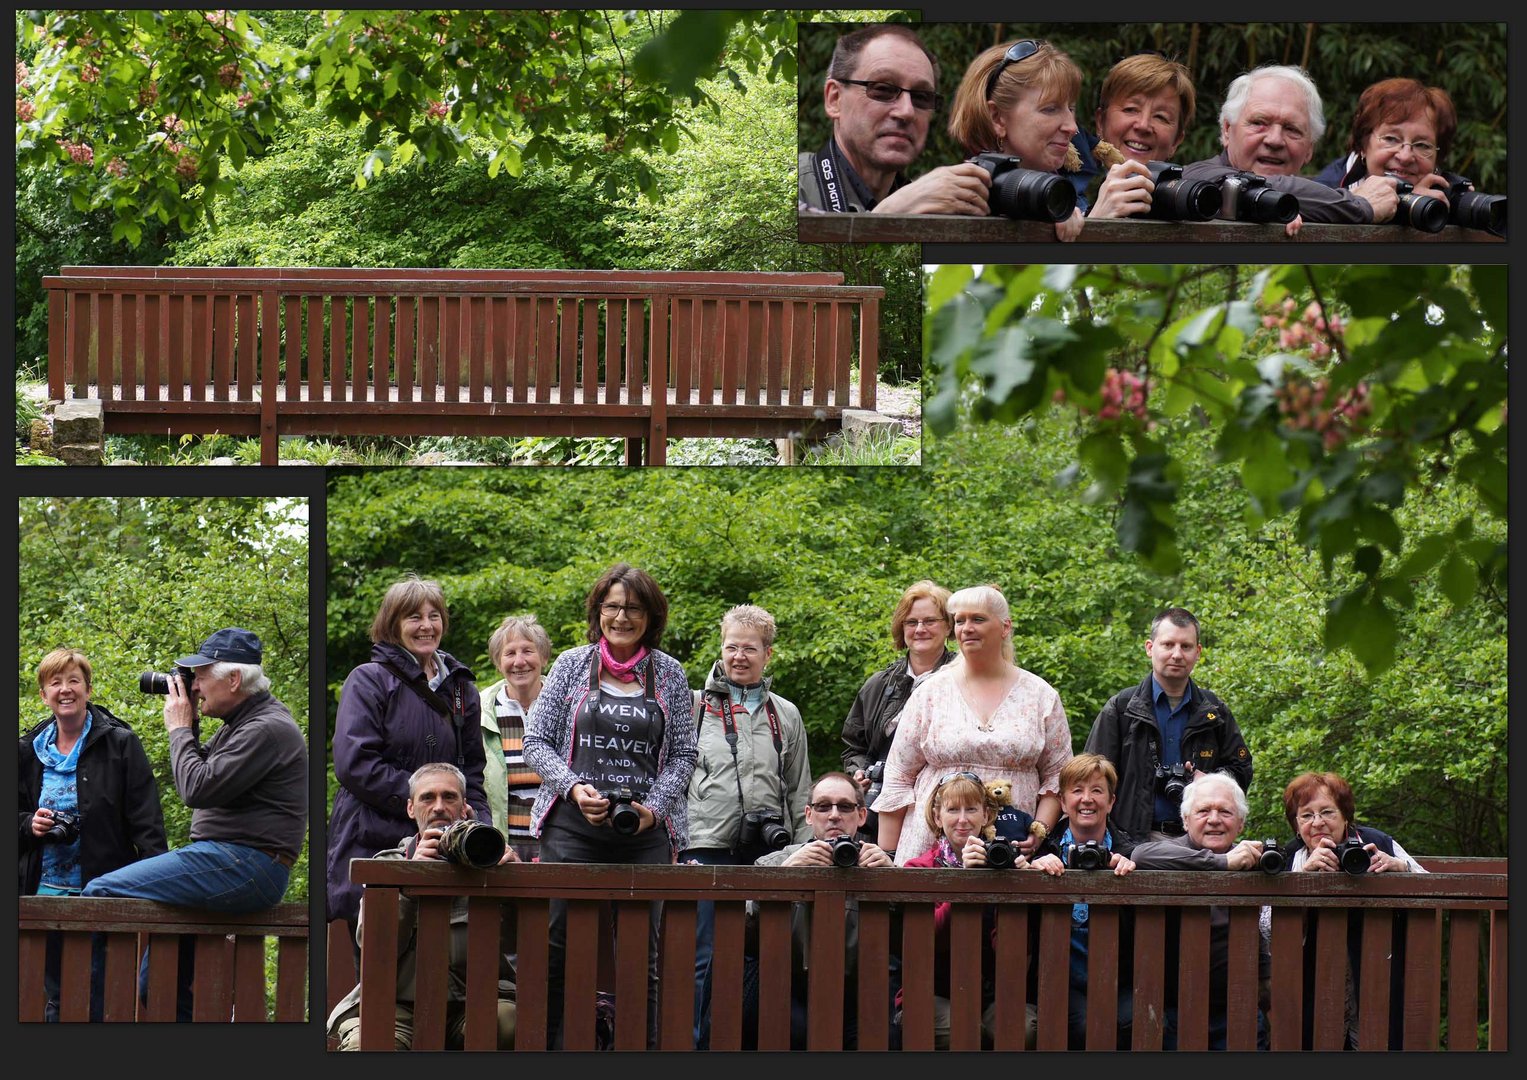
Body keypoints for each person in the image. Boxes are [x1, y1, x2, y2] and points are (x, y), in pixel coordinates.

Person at [81, 627, 308, 1021]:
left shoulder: (266, 729)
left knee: (100, 892)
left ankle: (91, 1020)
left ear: (234, 679)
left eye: (201, 677)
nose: (195, 687)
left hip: (246, 863)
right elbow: (205, 775)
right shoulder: (243, 724)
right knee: (157, 985)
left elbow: (196, 787)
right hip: (231, 862)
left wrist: (180, 728)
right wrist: (192, 728)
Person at [522, 562, 698, 1049]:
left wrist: (655, 809)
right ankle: (553, 1049)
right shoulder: (571, 665)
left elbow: (685, 753)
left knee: (643, 956)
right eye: (613, 606)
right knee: (558, 946)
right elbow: (536, 742)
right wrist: (575, 788)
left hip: (644, 833)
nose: (622, 617)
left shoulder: (670, 673)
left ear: (651, 617)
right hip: (571, 828)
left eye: (634, 608)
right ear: (598, 610)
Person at [327, 576, 488, 949]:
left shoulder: (462, 689)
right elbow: (355, 764)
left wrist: (477, 830)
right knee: (379, 962)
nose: (427, 625)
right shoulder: (369, 680)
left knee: (444, 962)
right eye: (414, 617)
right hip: (374, 839)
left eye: (435, 615)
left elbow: (473, 773)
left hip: (446, 847)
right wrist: (429, 802)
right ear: (393, 625)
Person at [683, 603, 812, 1048]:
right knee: (704, 958)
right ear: (721, 648)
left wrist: (802, 850)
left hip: (768, 850)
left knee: (769, 953)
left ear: (768, 654)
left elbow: (799, 789)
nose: (739, 656)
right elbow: (675, 776)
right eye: (731, 646)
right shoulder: (695, 706)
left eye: (750, 649)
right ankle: (698, 1047)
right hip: (705, 844)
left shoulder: (786, 714)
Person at [873, 583, 1069, 866]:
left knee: (1006, 912)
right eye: (960, 620)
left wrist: (1039, 831)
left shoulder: (1040, 695)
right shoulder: (930, 692)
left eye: (978, 619)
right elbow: (898, 777)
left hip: (1014, 849)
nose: (966, 628)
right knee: (929, 912)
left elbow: (1057, 776)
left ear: (1004, 627)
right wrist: (888, 859)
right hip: (932, 845)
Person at [20, 648, 167, 1022]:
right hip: (43, 895)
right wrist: (29, 824)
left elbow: (146, 821)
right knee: (57, 998)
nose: (65, 690)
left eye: (74, 681)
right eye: (55, 683)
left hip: (104, 891)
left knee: (100, 998)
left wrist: (156, 893)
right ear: (43, 694)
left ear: (88, 689)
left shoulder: (119, 743)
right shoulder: (27, 750)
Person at [327, 763, 518, 1050]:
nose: (439, 807)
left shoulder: (490, 861)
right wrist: (411, 880)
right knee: (365, 1045)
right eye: (427, 798)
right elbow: (374, 946)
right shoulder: (388, 866)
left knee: (507, 1020)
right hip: (397, 1006)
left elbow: (522, 942)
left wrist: (514, 884)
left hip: (475, 1001)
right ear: (410, 809)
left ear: (465, 807)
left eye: (449, 797)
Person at [741, 772, 894, 1049]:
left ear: (861, 816)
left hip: (862, 991)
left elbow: (914, 938)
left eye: (844, 807)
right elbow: (741, 935)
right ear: (809, 815)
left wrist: (893, 881)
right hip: (788, 988)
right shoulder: (775, 862)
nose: (834, 815)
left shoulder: (881, 865)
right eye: (824, 806)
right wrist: (784, 878)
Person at [1282, 770, 1426, 1049]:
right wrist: (1303, 881)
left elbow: (1435, 888)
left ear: (1345, 816)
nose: (1318, 823)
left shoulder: (1377, 843)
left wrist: (1401, 868)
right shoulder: (1291, 856)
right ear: (1296, 824)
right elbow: (1267, 931)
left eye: (1327, 812)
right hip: (1312, 987)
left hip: (1380, 978)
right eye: (1306, 815)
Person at [1083, 607, 1250, 845]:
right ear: (1150, 648)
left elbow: (1242, 770)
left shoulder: (1214, 711)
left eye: (1186, 646)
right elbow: (1091, 779)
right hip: (1132, 842)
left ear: (1198, 652)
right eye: (1168, 644)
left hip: (1200, 842)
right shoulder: (1122, 709)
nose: (1177, 654)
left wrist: (1211, 780)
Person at [1130, 771, 1271, 1050]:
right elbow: (1141, 856)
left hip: (1237, 1009)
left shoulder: (1249, 856)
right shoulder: (1171, 853)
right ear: (1185, 820)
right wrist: (1222, 863)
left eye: (1225, 812)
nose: (1214, 819)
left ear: (1240, 823)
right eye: (1204, 810)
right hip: (1172, 1011)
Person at [902, 769, 1034, 1050]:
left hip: (990, 993)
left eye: (971, 809)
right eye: (952, 810)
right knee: (961, 1029)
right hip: (932, 992)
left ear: (986, 815)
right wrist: (966, 883)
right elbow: (923, 942)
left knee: (1021, 1027)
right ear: (938, 817)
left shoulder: (1000, 864)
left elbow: (1012, 955)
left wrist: (1018, 887)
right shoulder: (918, 869)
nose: (962, 819)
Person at [1181, 64, 1401, 233]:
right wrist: (1359, 206)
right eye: (1259, 123)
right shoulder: (1197, 175)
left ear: (1309, 149)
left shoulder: (1316, 201)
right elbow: (1248, 186)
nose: (1275, 140)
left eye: (1292, 129)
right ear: (1227, 130)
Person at [799, 24, 992, 215]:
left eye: (921, 97)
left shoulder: (933, 206)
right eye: (883, 89)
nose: (907, 111)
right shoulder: (788, 186)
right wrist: (888, 215)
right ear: (835, 99)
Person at [1029, 753, 1137, 1049]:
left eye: (1097, 790)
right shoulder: (1041, 853)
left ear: (1111, 802)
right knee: (1082, 1025)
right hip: (1061, 981)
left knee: (1138, 1021)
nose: (1086, 799)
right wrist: (1032, 870)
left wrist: (1133, 877)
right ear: (1063, 802)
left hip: (1120, 981)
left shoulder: (1132, 852)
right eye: (1077, 790)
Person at [840, 580, 957, 843]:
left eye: (930, 621)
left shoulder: (964, 680)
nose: (920, 629)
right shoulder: (878, 685)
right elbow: (853, 746)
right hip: (881, 806)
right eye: (911, 622)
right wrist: (858, 773)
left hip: (944, 807)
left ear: (949, 625)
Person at [946, 39, 1089, 240]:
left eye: (1071, 109)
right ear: (997, 118)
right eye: (1050, 109)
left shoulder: (1066, 197)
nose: (1072, 127)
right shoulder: (959, 197)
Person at [1082, 53, 1197, 220]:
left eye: (1161, 117)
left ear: (1176, 141)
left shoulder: (1191, 207)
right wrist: (1097, 220)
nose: (1143, 125)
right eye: (1130, 109)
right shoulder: (1063, 200)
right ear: (1101, 122)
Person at [1312, 77, 1456, 209]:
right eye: (1391, 139)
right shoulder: (1325, 196)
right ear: (1363, 143)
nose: (1405, 157)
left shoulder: (1441, 192)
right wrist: (1358, 207)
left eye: (1422, 145)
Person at [479, 614, 551, 862]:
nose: (519, 662)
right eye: (509, 653)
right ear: (498, 662)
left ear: (544, 657)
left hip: (558, 848)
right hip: (501, 850)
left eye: (528, 651)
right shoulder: (481, 712)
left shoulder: (567, 707)